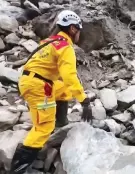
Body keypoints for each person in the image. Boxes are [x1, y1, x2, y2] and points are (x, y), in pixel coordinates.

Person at [10, 10, 93, 174]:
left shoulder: (50, 41)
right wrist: (84, 101)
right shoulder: (65, 47)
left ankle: (61, 124)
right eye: (79, 30)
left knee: (62, 89)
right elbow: (69, 76)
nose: (79, 35)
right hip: (39, 86)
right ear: (73, 29)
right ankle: (19, 169)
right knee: (42, 128)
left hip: (32, 80)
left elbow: (64, 81)